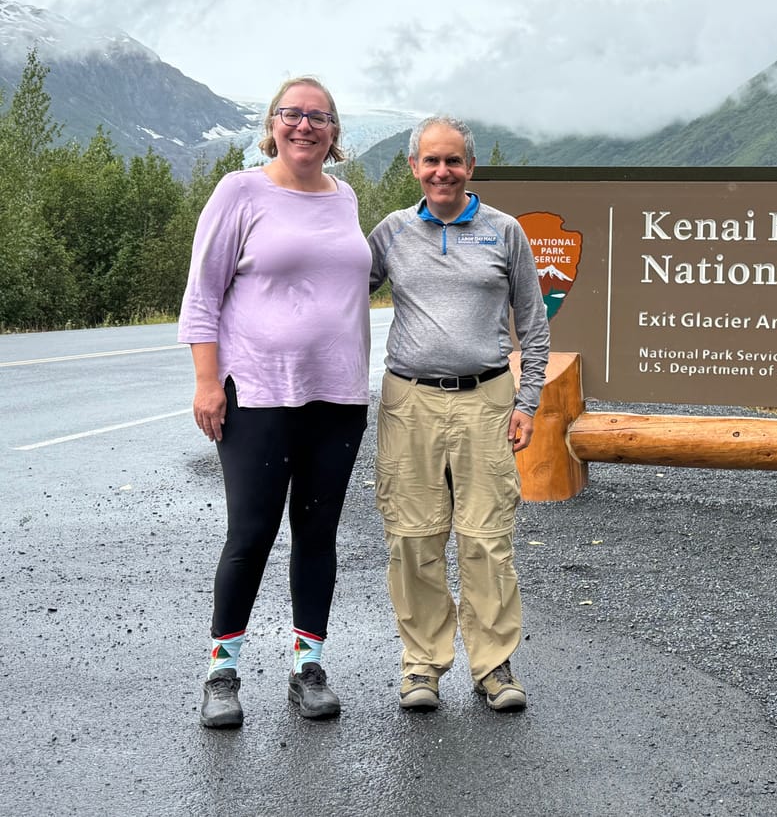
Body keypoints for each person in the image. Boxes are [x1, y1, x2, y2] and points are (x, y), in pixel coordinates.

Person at [178, 76, 371, 728]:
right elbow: (203, 294)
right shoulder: (240, 191)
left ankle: (307, 670)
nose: (304, 125)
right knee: (251, 534)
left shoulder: (345, 198)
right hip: (258, 394)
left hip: (338, 396)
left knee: (317, 534)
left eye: (319, 116)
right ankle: (222, 673)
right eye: (292, 114)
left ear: (334, 132)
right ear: (273, 124)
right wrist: (208, 381)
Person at [367, 115, 550, 712]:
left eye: (452, 160)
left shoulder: (504, 231)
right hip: (409, 401)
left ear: (470, 166)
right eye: (431, 160)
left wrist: (527, 402)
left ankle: (493, 665)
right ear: (414, 167)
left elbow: (534, 325)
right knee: (412, 536)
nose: (441, 171)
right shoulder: (391, 232)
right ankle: (422, 665)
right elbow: (336, 293)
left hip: (487, 399)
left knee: (487, 538)